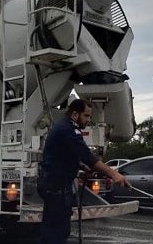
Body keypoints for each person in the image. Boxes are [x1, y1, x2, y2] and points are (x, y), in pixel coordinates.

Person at [38, 99, 130, 244]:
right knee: (56, 234)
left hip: (53, 186)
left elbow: (66, 154)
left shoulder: (64, 126)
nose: (88, 120)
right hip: (56, 187)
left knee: (54, 231)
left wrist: (81, 166)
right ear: (75, 114)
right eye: (86, 116)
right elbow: (88, 157)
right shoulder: (69, 129)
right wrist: (114, 174)